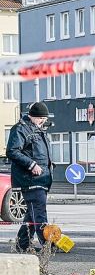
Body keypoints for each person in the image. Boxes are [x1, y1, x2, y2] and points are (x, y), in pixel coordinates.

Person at [7, 102, 53, 252]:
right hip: (30, 180)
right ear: (33, 116)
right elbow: (12, 151)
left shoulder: (38, 130)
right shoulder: (20, 129)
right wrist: (31, 165)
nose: (43, 122)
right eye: (41, 119)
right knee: (39, 212)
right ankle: (46, 244)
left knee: (32, 214)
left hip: (41, 179)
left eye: (44, 119)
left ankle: (23, 244)